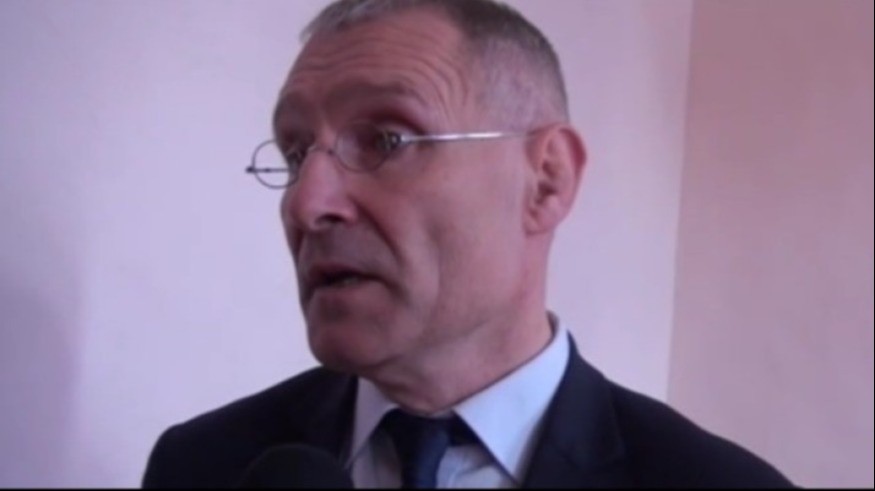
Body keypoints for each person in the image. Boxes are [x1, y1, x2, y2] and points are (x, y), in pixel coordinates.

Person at [143, 0, 793, 488]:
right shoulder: (202, 465)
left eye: (387, 140)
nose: (306, 204)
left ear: (545, 181)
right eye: (294, 152)